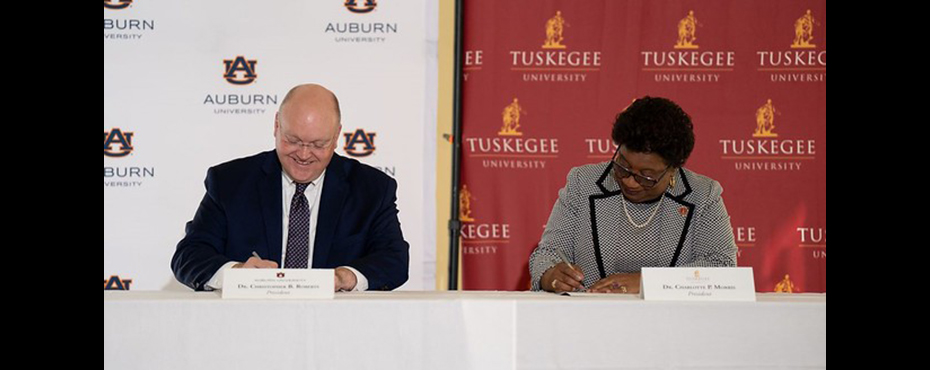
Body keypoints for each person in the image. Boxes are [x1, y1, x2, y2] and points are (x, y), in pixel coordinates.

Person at [171, 84, 409, 292]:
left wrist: (344, 277)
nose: (304, 155)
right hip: (246, 324)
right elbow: (188, 257)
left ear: (337, 136)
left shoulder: (373, 189)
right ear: (276, 125)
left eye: (318, 144)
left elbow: (395, 260)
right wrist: (237, 273)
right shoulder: (229, 181)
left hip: (336, 327)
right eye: (293, 141)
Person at [529, 97, 737, 294]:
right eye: (623, 167)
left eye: (646, 177)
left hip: (672, 323)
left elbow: (722, 266)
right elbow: (547, 254)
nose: (629, 181)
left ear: (673, 169)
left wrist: (649, 283)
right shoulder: (583, 183)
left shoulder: (702, 195)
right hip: (591, 320)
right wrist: (550, 275)